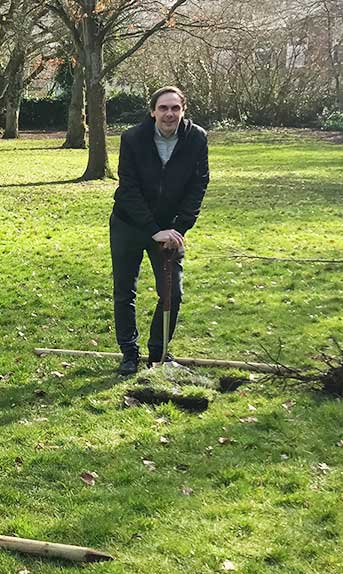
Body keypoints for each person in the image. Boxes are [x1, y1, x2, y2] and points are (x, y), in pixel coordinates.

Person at [110, 86, 209, 375]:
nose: (169, 114)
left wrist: (177, 229)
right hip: (128, 224)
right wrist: (152, 230)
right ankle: (129, 354)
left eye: (175, 108)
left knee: (172, 293)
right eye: (163, 108)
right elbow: (128, 188)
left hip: (169, 229)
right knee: (124, 291)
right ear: (153, 111)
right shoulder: (132, 138)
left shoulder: (196, 139)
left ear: (183, 110)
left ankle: (158, 353)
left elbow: (198, 185)